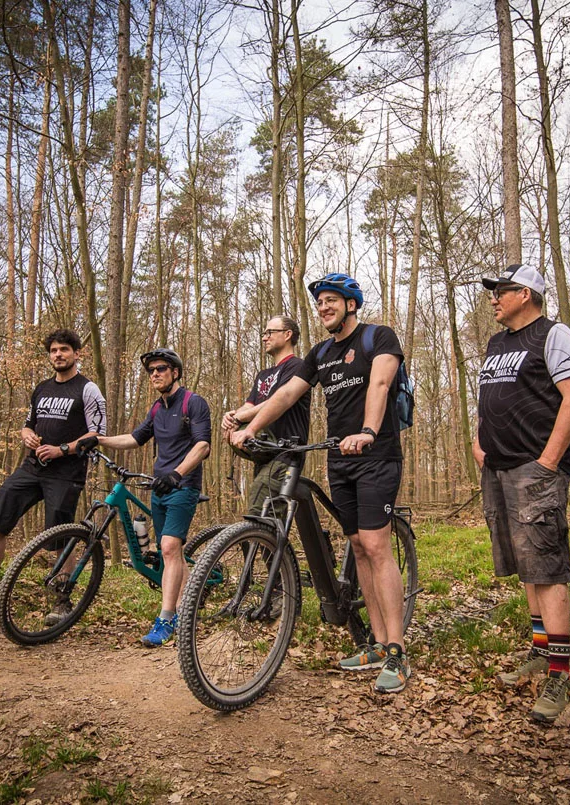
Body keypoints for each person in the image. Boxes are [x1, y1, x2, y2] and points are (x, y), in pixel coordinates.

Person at [231, 273, 411, 693]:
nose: (324, 308)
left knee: (377, 546)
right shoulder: (320, 353)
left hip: (375, 455)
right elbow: (285, 396)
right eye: (320, 303)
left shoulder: (378, 337)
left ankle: (398, 652)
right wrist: (251, 426)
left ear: (351, 304)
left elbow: (381, 383)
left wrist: (367, 430)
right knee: (359, 549)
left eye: (332, 300)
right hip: (337, 457)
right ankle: (378, 643)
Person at [472, 263, 570, 722]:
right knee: (525, 566)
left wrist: (547, 462)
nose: (493, 299)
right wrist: (479, 443)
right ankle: (541, 650)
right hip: (498, 468)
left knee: (546, 567)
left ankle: (560, 675)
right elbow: (487, 395)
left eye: (500, 291)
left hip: (535, 469)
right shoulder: (497, 343)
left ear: (525, 294)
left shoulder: (553, 335)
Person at [0, 329, 106, 621]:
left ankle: (61, 600)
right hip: (31, 467)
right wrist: (27, 435)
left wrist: (62, 449)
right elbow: (28, 424)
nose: (58, 355)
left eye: (64, 349)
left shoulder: (87, 389)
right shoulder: (42, 388)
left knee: (60, 536)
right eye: (53, 350)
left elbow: (97, 433)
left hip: (66, 472)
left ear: (77, 354)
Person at [93, 348, 211, 647]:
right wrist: (98, 440)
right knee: (172, 551)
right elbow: (134, 439)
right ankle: (187, 610)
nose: (155, 374)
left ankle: (167, 618)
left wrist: (177, 473)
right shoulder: (157, 409)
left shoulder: (192, 402)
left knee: (169, 547)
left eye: (161, 368)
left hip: (183, 487)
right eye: (151, 371)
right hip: (160, 487)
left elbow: (202, 446)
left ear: (175, 372)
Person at [221, 315, 311, 514]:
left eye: (270, 332)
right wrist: (232, 416)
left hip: (286, 451)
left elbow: (278, 401)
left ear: (288, 335)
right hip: (263, 452)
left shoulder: (297, 367)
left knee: (259, 513)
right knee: (262, 513)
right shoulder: (263, 375)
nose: (264, 338)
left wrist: (241, 418)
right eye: (264, 333)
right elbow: (249, 406)